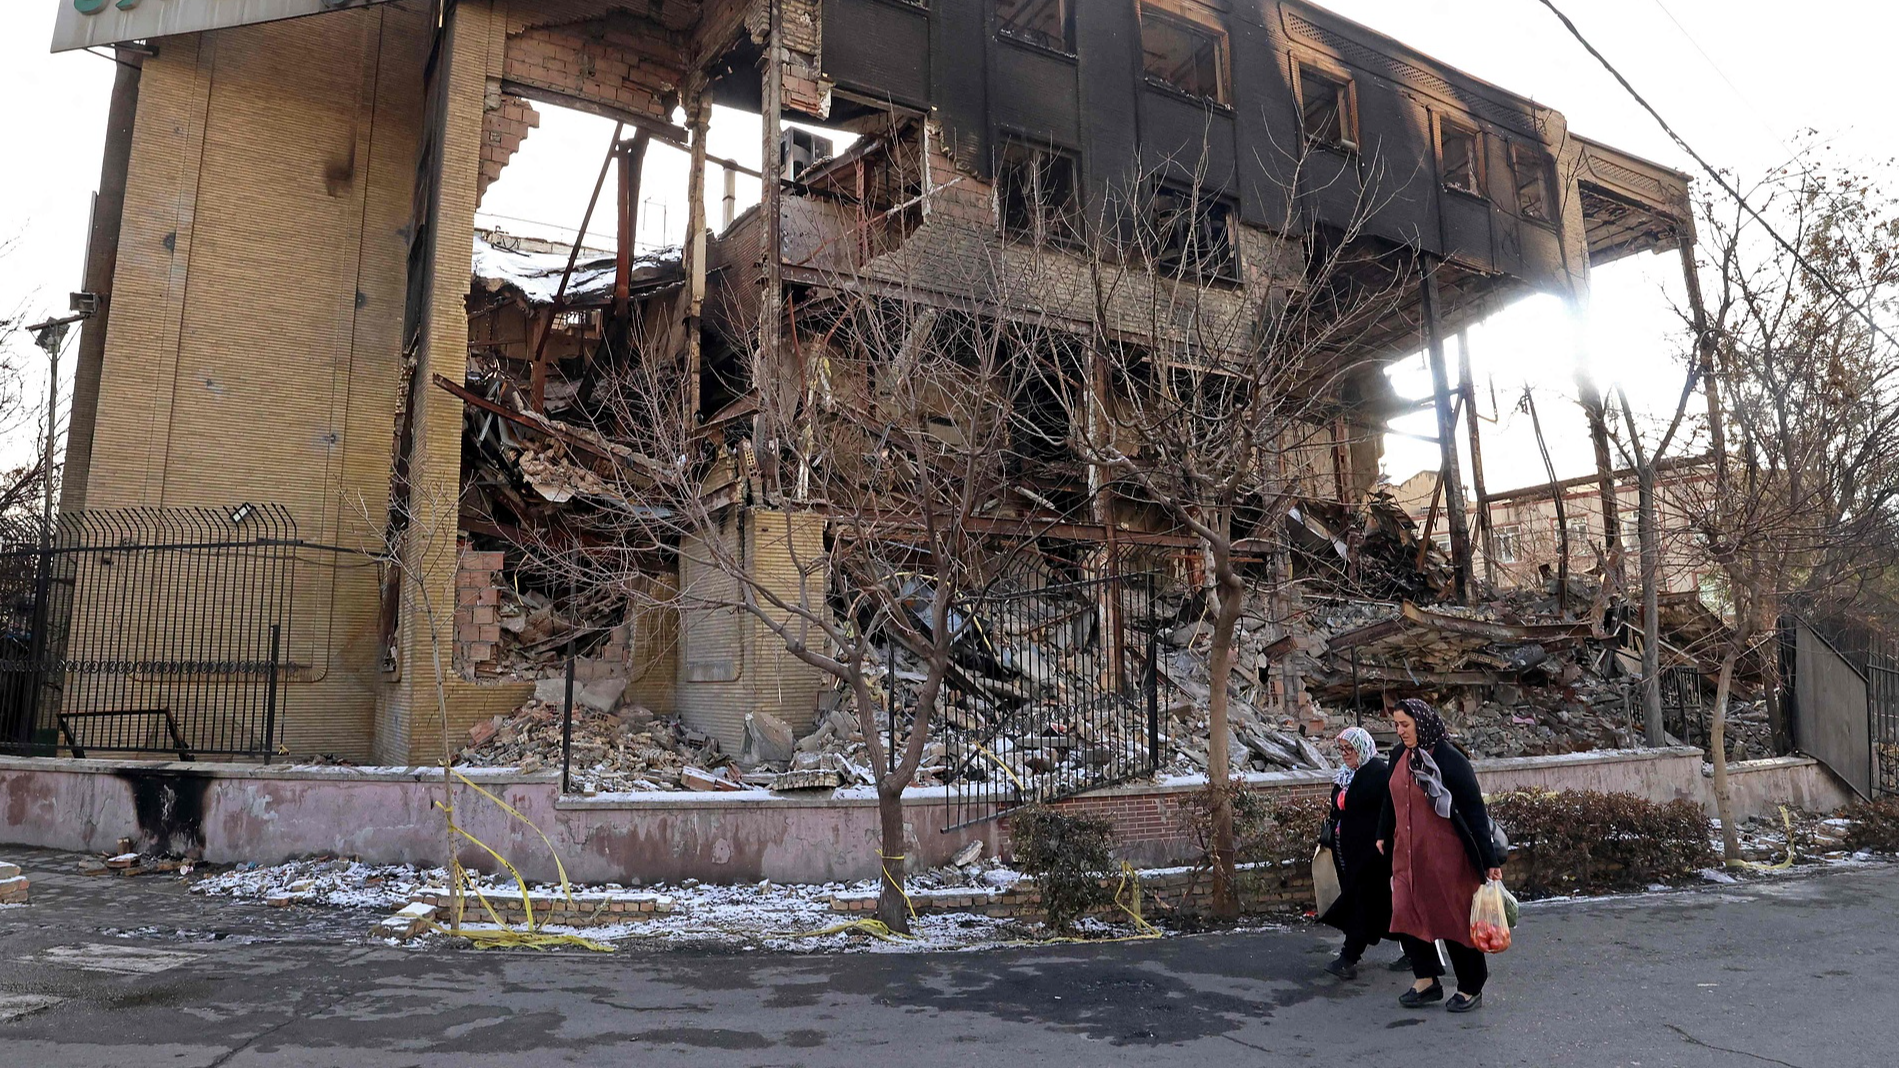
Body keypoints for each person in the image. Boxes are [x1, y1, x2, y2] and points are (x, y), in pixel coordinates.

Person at [1377, 698, 1503, 1013]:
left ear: (1422, 722)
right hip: (1408, 855)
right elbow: (1389, 798)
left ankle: (1470, 986)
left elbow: (1475, 812)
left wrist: (1489, 860)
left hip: (1448, 857)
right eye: (1396, 725)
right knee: (1407, 913)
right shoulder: (1399, 756)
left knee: (1455, 919)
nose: (1400, 731)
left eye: (1405, 724)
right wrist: (1382, 833)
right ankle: (1426, 980)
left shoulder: (1450, 760)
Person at [1317, 727, 1392, 980]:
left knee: (1363, 902)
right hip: (1349, 852)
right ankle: (1416, 951)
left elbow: (1373, 808)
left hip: (1371, 854)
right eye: (1342, 749)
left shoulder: (1377, 774)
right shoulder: (1347, 774)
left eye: (1350, 749)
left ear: (1362, 748)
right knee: (1383, 907)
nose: (1345, 754)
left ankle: (1349, 957)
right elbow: (1339, 802)